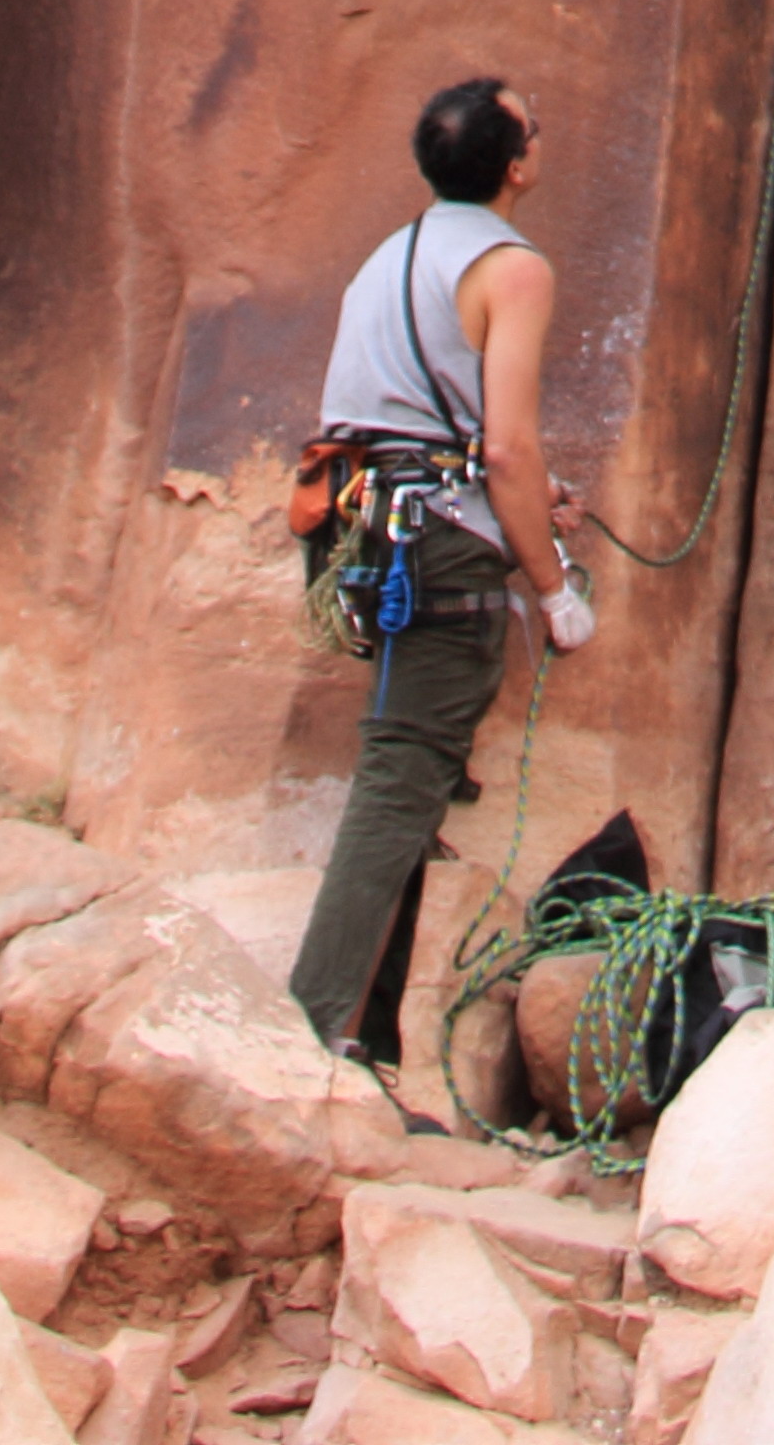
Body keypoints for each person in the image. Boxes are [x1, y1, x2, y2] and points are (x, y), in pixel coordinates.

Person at [288, 74, 569, 1088]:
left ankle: (364, 1044)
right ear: (515, 166)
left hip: (360, 534)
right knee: (403, 769)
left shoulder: (386, 257)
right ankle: (313, 1026)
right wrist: (554, 586)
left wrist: (523, 496)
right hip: (440, 544)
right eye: (533, 129)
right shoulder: (512, 269)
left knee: (408, 777)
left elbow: (403, 418)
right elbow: (507, 449)